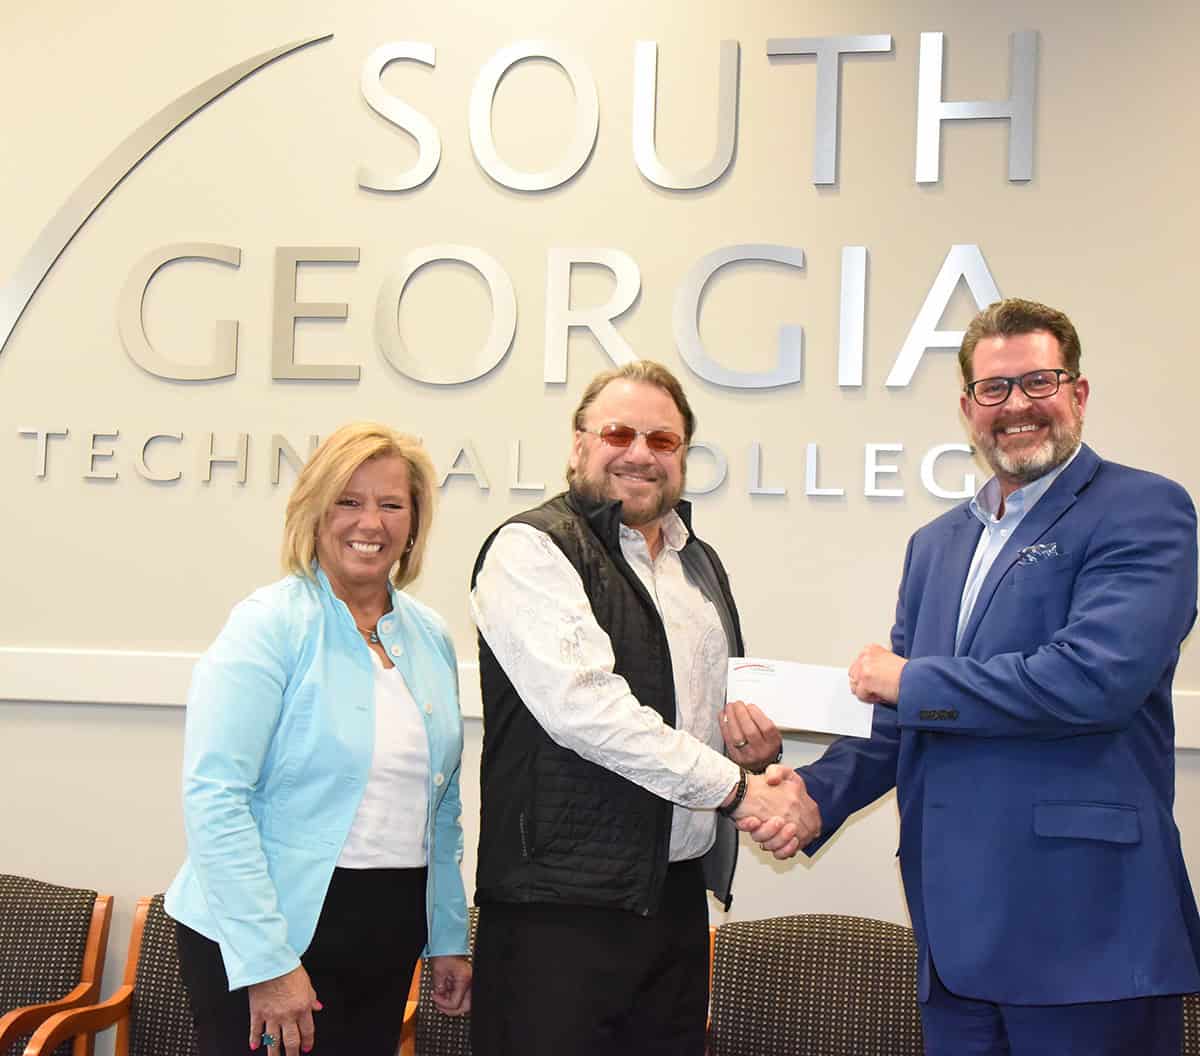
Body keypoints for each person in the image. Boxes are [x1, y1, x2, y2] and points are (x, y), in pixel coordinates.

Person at [748, 299, 1200, 1054]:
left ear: (1078, 394)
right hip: (953, 937)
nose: (1016, 405)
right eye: (994, 389)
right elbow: (902, 721)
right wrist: (811, 797)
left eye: (1039, 381)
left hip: (1085, 935)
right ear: (967, 409)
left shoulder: (1144, 510)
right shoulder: (937, 544)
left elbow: (1094, 679)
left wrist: (911, 681)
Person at [468, 360, 820, 1056]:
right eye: (619, 432)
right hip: (560, 913)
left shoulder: (699, 564)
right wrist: (738, 792)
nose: (639, 453)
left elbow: (696, 714)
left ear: (683, 457)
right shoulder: (531, 549)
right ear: (578, 445)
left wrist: (750, 756)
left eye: (662, 440)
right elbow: (587, 710)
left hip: (674, 903)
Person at [165, 422, 471, 1056]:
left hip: (386, 929)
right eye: (349, 501)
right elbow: (215, 797)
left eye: (392, 504)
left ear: (414, 524)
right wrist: (269, 963)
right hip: (269, 931)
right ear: (314, 510)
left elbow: (441, 807)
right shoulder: (269, 624)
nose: (372, 522)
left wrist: (447, 935)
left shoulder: (430, 635)